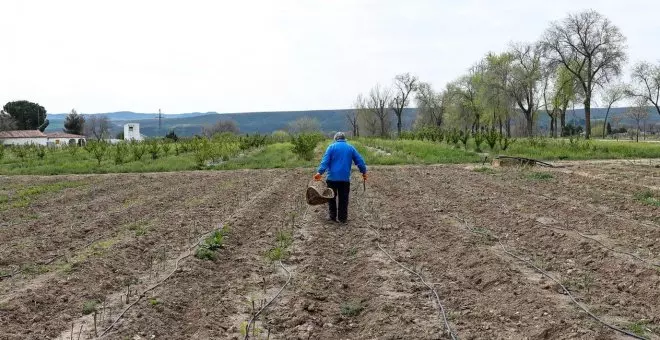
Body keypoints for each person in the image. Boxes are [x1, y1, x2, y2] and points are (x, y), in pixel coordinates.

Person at [314, 132, 367, 224]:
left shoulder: (331, 147)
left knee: (331, 197)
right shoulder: (350, 148)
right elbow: (360, 161)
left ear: (336, 139)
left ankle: (332, 217)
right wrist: (364, 172)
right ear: (344, 139)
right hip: (344, 179)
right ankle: (342, 219)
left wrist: (320, 172)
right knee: (343, 199)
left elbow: (325, 161)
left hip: (332, 178)